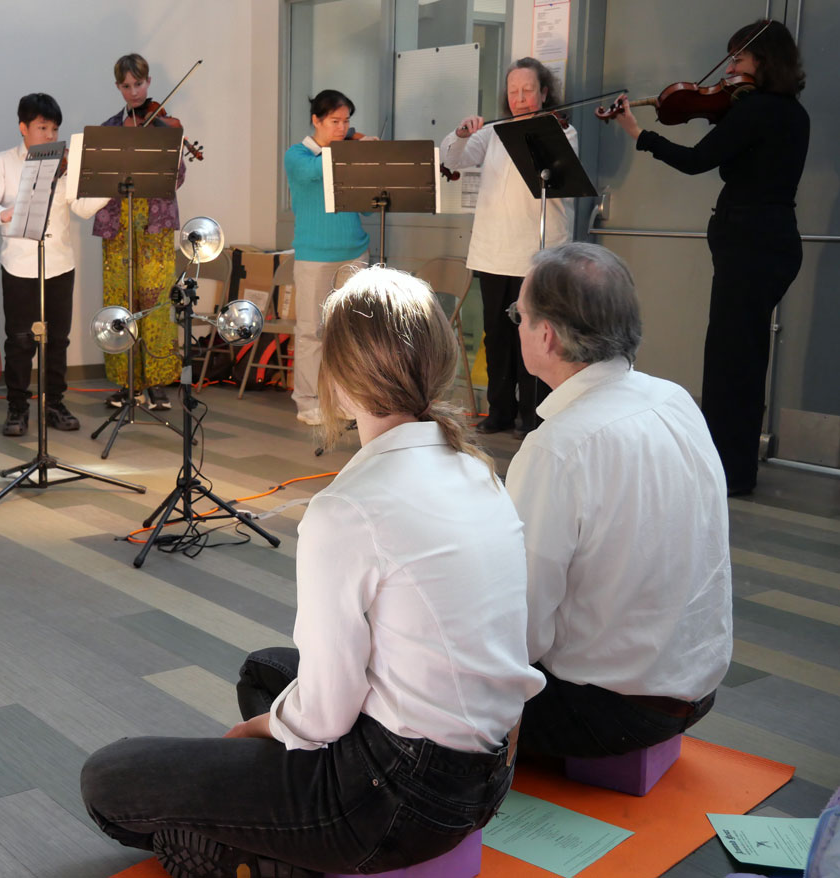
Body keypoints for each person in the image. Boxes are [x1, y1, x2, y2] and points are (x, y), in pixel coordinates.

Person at [81, 266, 544, 878]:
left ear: (341, 379)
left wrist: (260, 730)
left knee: (110, 779)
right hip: (488, 776)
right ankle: (285, 834)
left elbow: (325, 714)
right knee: (267, 669)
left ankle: (276, 854)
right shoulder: (478, 470)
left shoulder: (349, 508)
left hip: (399, 799)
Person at [504, 243, 732, 758]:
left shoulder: (559, 447)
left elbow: (518, 629)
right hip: (695, 688)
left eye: (519, 314)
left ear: (547, 335)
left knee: (403, 683)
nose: (515, 325)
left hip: (607, 711)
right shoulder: (673, 399)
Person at [608, 19, 809, 496]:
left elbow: (698, 160)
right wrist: (711, 109)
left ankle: (729, 473)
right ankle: (735, 467)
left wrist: (639, 132)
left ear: (763, 61)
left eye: (739, 58)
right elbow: (736, 143)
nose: (732, 68)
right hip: (777, 240)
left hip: (748, 243)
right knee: (746, 355)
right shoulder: (791, 113)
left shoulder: (755, 110)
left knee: (728, 361)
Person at [442, 57, 578, 439]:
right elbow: (453, 159)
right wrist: (463, 133)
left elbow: (561, 178)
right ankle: (499, 411)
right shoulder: (493, 132)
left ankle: (533, 415)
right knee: (496, 336)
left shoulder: (562, 132)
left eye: (528, 90)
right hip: (492, 252)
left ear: (544, 92)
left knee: (537, 337)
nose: (520, 98)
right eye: (513, 91)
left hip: (538, 254)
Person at [0, 93, 108, 436]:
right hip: (19, 265)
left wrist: (108, 184)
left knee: (58, 340)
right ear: (23, 127)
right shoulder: (3, 162)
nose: (49, 135)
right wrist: (4, 213)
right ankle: (17, 408)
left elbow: (83, 209)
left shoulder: (64, 165)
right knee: (19, 340)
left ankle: (55, 404)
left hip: (60, 263)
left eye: (54, 128)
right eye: (42, 127)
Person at [91, 53, 185, 412]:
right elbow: (98, 176)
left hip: (155, 225)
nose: (133, 91)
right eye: (126, 85)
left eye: (139, 84)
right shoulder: (110, 129)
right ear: (118, 87)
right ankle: (125, 382)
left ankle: (158, 383)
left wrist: (172, 150)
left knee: (157, 304)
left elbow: (177, 179)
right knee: (120, 304)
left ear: (149, 83)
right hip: (118, 226)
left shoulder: (165, 126)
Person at [283, 90, 373, 426]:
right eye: (335, 121)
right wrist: (350, 149)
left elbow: (364, 205)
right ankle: (308, 401)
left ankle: (347, 400)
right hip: (315, 257)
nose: (342, 127)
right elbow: (313, 172)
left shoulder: (344, 154)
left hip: (354, 251)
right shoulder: (298, 155)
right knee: (311, 332)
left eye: (347, 121)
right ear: (316, 120)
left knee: (351, 334)